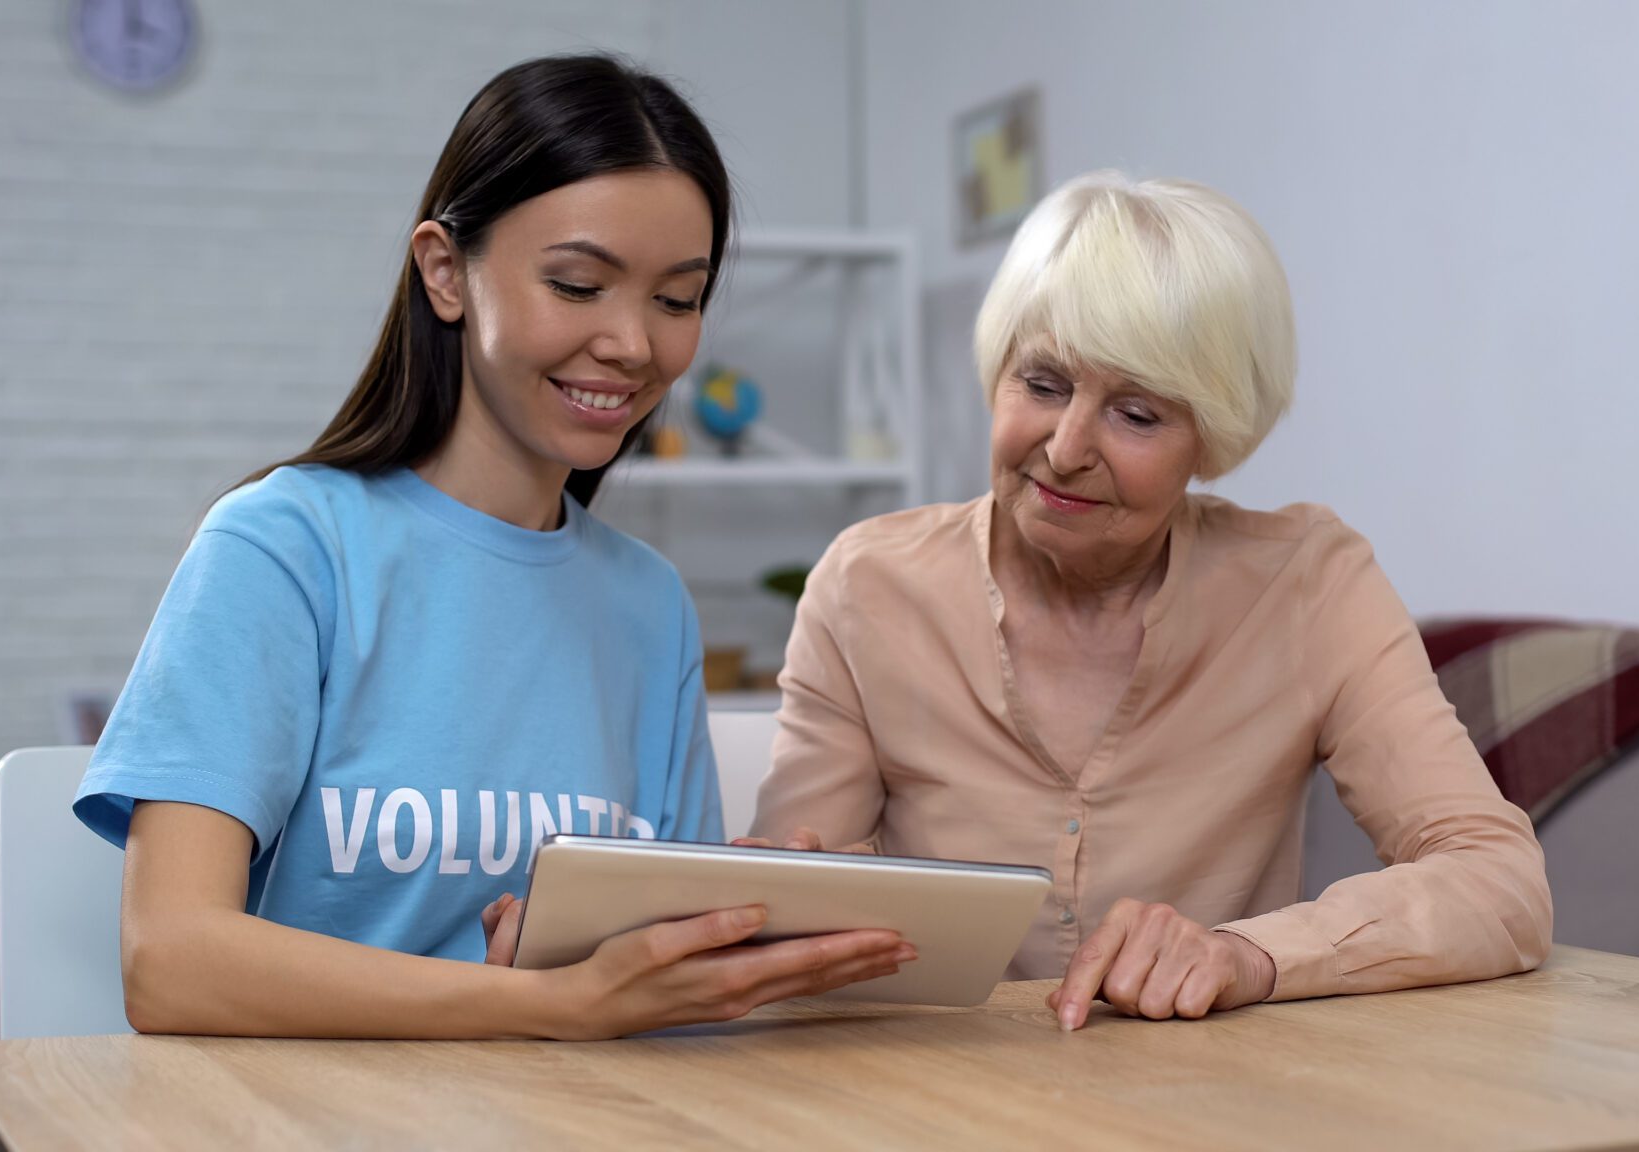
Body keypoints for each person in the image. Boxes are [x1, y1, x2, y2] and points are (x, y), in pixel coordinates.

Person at [75, 54, 913, 1042]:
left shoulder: (646, 602)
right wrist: (542, 1006)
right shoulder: (284, 547)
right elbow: (169, 961)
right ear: (445, 271)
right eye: (577, 284)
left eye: (676, 301)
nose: (633, 345)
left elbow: (643, 1001)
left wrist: (737, 930)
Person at [748, 171, 1551, 1030]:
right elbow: (791, 905)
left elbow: (1495, 881)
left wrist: (1249, 955)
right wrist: (763, 900)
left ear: (1214, 434)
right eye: (1044, 384)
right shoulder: (868, 584)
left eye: (1135, 414)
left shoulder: (1311, 585)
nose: (1064, 449)